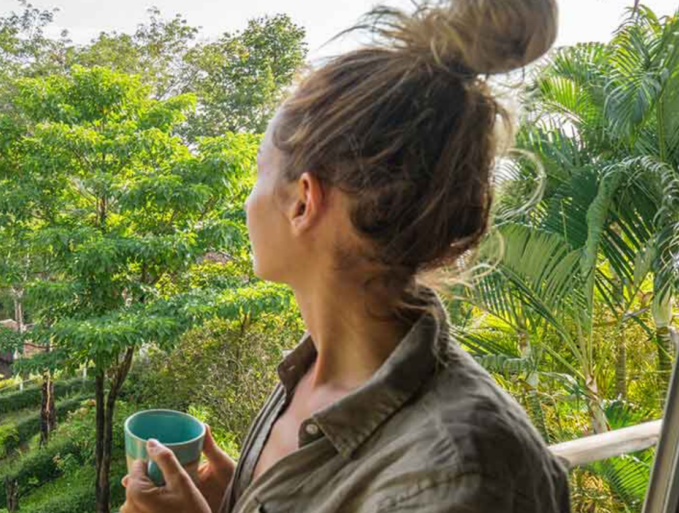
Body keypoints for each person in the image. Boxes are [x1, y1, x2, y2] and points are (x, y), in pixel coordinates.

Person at [121, 0, 572, 511]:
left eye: (257, 175)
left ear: (303, 201)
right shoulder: (313, 374)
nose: (248, 201)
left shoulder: (460, 479)